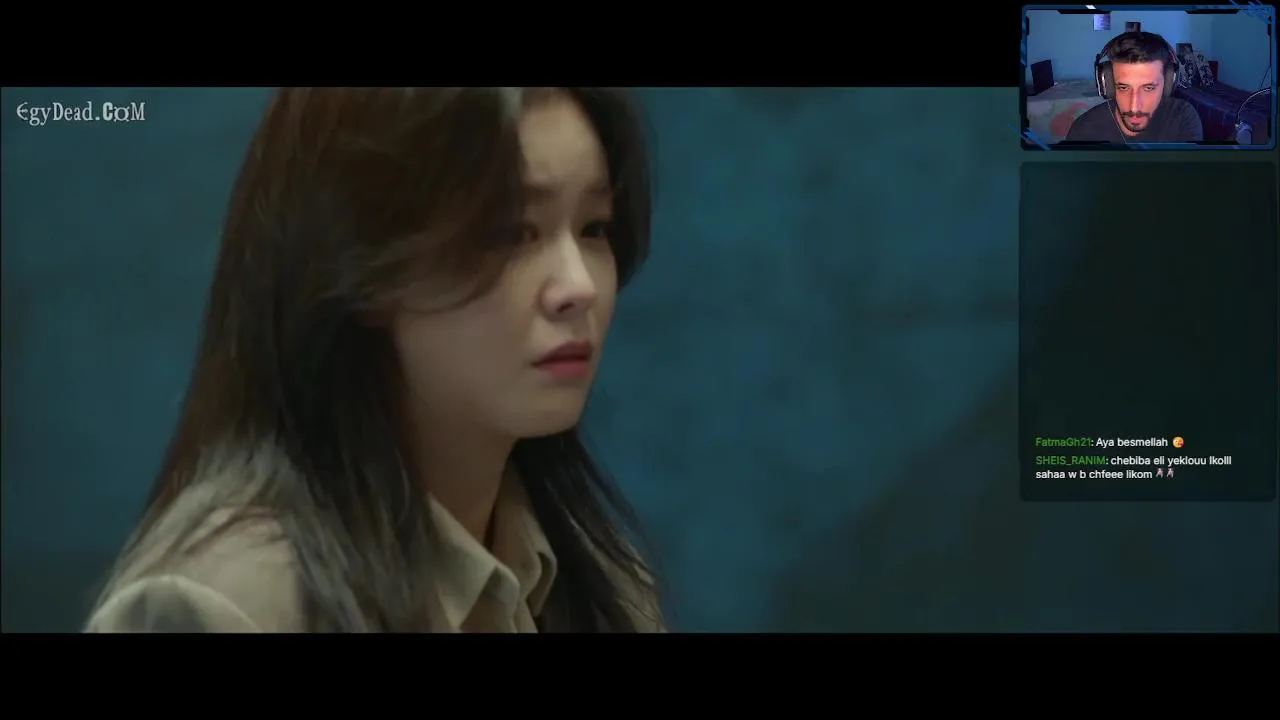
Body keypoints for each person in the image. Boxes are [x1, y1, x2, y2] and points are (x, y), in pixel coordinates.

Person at [84, 87, 664, 633]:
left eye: (595, 228)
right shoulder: (225, 604)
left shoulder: (602, 584)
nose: (578, 285)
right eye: (511, 232)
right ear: (360, 262)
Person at [1065, 31, 1204, 143]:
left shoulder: (1182, 116)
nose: (1134, 107)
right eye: (1123, 88)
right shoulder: (1084, 131)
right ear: (1108, 85)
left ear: (1168, 83)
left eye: (1148, 88)